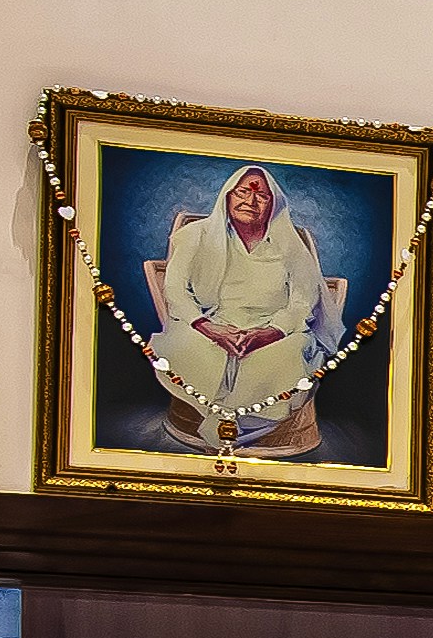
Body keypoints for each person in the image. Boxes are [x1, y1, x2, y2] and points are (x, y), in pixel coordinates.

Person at [143, 160, 357, 459]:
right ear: (228, 195)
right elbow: (175, 289)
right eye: (243, 192)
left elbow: (302, 300)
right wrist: (208, 327)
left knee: (292, 350)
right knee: (188, 345)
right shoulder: (197, 235)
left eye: (262, 196)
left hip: (275, 328)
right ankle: (223, 428)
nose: (251, 201)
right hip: (209, 323)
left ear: (273, 204)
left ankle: (241, 433)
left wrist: (270, 332)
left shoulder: (290, 244)